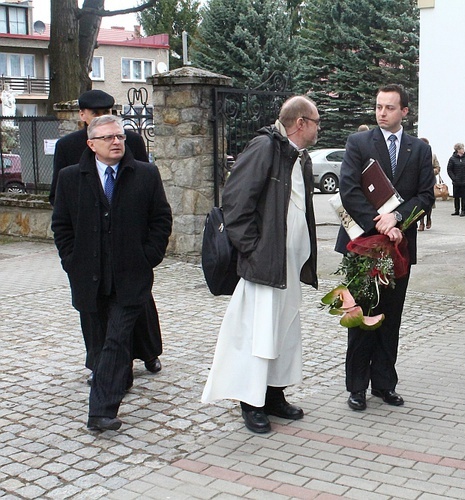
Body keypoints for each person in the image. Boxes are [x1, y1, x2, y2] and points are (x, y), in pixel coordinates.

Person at [201, 95, 319, 434]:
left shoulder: (299, 157)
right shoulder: (264, 148)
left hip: (289, 267)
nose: (318, 128)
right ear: (300, 123)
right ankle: (251, 402)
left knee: (281, 333)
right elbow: (235, 205)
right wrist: (253, 250)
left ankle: (274, 394)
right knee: (258, 335)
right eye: (315, 122)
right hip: (264, 266)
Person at [51, 115, 172, 431]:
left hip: (131, 277)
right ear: (91, 144)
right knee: (102, 339)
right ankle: (121, 377)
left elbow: (161, 220)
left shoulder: (145, 174)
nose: (116, 141)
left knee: (117, 340)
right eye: (107, 138)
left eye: (119, 136)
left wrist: (148, 256)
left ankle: (100, 412)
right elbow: (62, 226)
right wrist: (72, 260)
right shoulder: (70, 178)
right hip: (89, 277)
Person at [335, 84, 434, 411]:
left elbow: (425, 197)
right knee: (362, 316)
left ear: (405, 111)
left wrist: (397, 220)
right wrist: (378, 221)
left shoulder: (418, 150)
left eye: (389, 107)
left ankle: (384, 384)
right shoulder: (359, 142)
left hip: (399, 250)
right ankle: (357, 387)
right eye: (379, 106)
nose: (382, 112)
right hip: (362, 245)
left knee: (390, 318)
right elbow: (348, 189)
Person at [418, 137, 440, 231]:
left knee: (429, 203)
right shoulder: (415, 155)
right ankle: (421, 223)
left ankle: (428, 218)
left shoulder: (433, 156)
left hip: (430, 182)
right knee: (419, 203)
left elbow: (437, 168)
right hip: (418, 182)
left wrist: (430, 171)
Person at [446, 142, 465, 216]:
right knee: (456, 197)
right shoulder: (452, 159)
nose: (463, 150)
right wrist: (454, 178)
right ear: (458, 150)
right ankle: (456, 210)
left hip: (464, 181)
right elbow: (449, 169)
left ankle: (463, 210)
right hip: (456, 181)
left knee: (464, 197)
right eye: (461, 148)